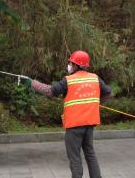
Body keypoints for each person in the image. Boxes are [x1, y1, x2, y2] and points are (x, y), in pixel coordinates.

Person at [20, 50, 112, 178]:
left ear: (75, 65)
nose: (69, 65)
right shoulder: (95, 78)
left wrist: (31, 83)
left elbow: (50, 91)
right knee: (90, 154)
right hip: (90, 124)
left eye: (70, 63)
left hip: (74, 126)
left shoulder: (68, 80)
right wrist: (97, 102)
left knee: (75, 158)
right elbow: (108, 92)